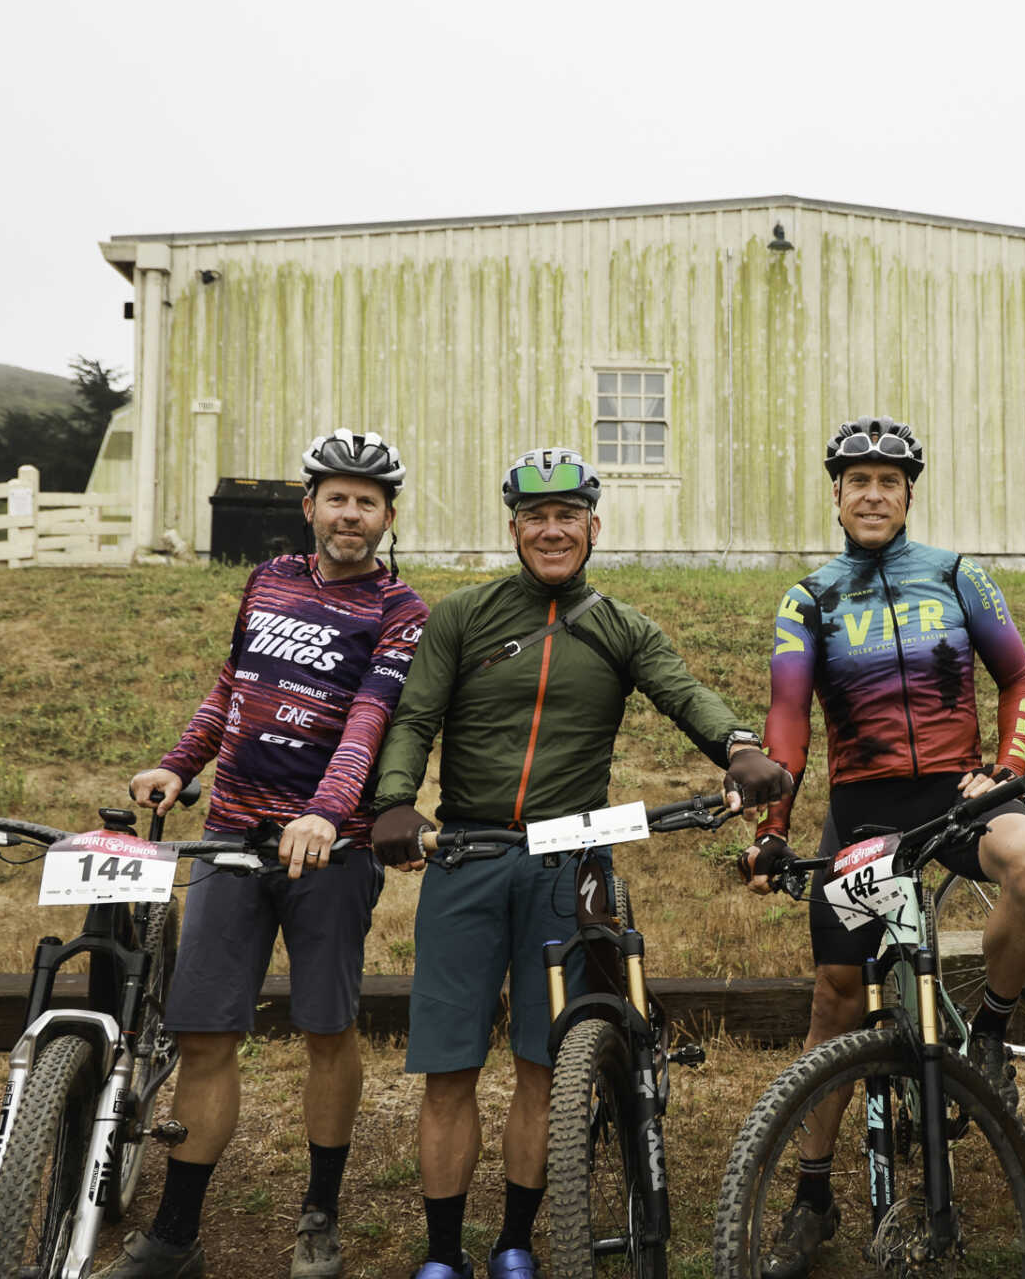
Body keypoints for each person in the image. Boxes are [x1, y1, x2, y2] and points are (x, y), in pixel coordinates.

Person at [367, 446, 792, 1279]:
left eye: (568, 516)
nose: (552, 531)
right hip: (468, 852)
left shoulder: (620, 625)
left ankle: (517, 1242)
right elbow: (415, 716)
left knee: (544, 1059)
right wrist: (392, 798)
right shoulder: (464, 616)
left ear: (593, 527)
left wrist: (739, 747)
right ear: (514, 529)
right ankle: (444, 1254)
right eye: (535, 517)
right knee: (448, 1066)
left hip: (568, 862)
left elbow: (683, 692)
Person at [101, 430, 429, 1279]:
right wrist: (179, 763)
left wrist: (325, 813)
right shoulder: (269, 579)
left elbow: (372, 718)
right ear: (310, 505)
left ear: (388, 516)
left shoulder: (401, 611)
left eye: (368, 501)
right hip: (231, 839)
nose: (350, 513)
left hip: (333, 850)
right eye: (337, 496)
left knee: (328, 1029)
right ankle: (177, 1232)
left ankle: (319, 1214)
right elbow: (230, 687)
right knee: (206, 1034)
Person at [736, 416, 1025, 1278]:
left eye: (888, 480)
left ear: (909, 493)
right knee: (838, 995)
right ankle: (813, 1193)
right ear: (836, 495)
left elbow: (1018, 677)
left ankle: (989, 1033)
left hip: (955, 796)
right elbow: (789, 721)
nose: (872, 493)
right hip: (865, 807)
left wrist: (1005, 767)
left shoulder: (958, 576)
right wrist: (773, 831)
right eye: (857, 480)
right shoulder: (811, 596)